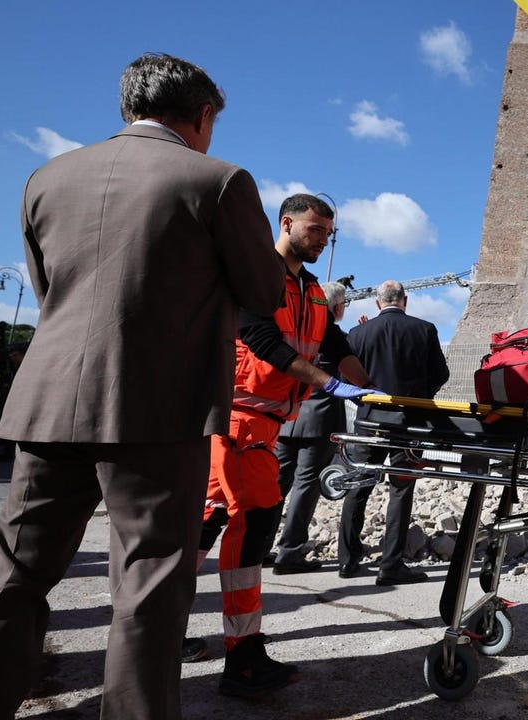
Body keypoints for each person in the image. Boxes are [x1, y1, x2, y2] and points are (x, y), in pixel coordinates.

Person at [0, 53, 285, 720]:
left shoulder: (46, 178)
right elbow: (263, 290)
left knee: (13, 577)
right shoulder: (218, 181)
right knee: (150, 587)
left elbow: (50, 294)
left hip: (48, 403)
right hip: (156, 411)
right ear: (203, 116)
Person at [194, 194, 372, 697]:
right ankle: (241, 657)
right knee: (253, 523)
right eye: (316, 230)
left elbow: (334, 345)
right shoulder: (256, 275)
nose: (322, 240)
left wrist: (373, 390)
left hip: (262, 429)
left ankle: (163, 629)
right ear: (288, 223)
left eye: (328, 233)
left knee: (206, 526)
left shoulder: (313, 290)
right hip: (234, 423)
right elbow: (263, 342)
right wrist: (330, 385)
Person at [338, 280, 449, 584]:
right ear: (405, 300)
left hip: (369, 422)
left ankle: (347, 561)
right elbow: (441, 374)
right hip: (409, 424)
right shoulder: (424, 330)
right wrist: (419, 396)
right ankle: (391, 565)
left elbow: (343, 375)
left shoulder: (358, 333)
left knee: (358, 487)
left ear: (377, 303)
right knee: (401, 491)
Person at [269, 281, 349, 574]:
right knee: (306, 486)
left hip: (288, 417)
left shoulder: (298, 329)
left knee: (276, 483)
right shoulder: (332, 335)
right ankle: (289, 553)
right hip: (320, 421)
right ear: (337, 308)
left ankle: (260, 546)